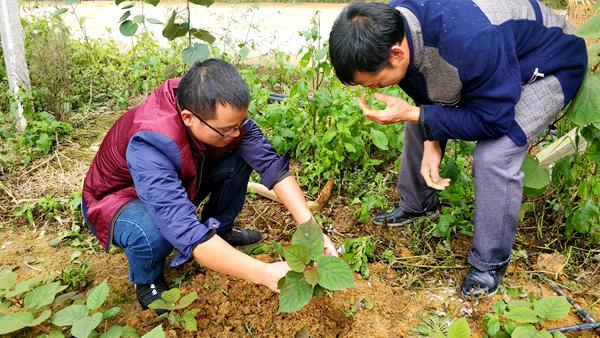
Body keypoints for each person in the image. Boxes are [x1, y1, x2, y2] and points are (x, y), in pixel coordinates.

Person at [328, 0, 586, 299]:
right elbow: (428, 90)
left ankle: (490, 263)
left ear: (396, 54)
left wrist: (420, 117)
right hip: (494, 62)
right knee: (416, 119)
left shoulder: (471, 41)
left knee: (493, 156)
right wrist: (430, 137)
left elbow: (493, 120)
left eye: (375, 83)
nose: (375, 90)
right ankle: (418, 204)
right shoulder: (397, 24)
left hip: (548, 63)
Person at [81, 59, 337, 313]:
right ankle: (147, 280)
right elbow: (183, 229)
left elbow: (272, 167)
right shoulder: (151, 143)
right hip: (119, 199)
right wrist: (265, 273)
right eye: (227, 129)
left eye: (240, 124)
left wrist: (312, 229)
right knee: (155, 232)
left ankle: (221, 232)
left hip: (179, 180)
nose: (237, 133)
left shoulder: (212, 107)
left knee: (238, 154)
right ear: (189, 118)